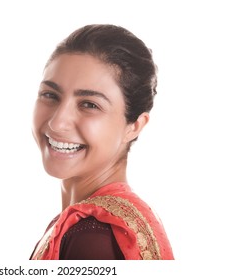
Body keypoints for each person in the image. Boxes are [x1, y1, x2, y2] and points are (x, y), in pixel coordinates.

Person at [30, 24, 174, 260]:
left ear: (134, 126)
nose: (57, 123)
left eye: (89, 104)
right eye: (50, 95)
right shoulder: (119, 221)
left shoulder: (94, 238)